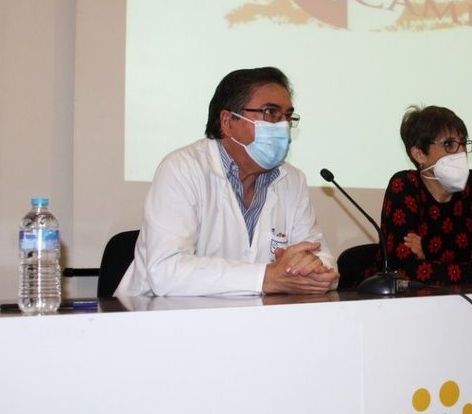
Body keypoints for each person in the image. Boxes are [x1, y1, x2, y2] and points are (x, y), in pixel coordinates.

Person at [116, 67, 339, 296]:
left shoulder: (293, 180)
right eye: (271, 113)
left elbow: (320, 254)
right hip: (155, 313)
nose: (283, 126)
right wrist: (266, 277)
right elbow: (165, 271)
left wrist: (317, 271)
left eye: (287, 116)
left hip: (252, 314)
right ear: (228, 121)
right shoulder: (182, 168)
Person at [376, 105, 472, 284]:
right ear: (419, 154)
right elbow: (404, 272)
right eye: (449, 144)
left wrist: (426, 258)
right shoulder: (404, 186)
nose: (461, 152)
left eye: (463, 143)